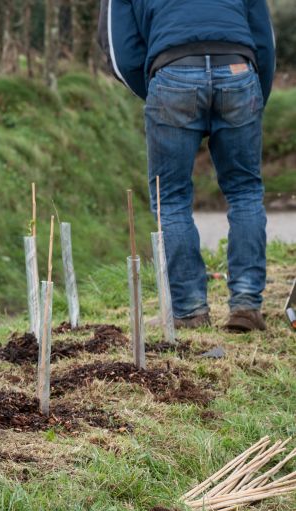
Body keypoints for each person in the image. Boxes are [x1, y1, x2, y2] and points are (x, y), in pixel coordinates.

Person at [99, 0, 276, 332]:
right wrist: (254, 96)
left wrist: (158, 90)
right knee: (245, 191)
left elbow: (119, 50)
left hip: (172, 70)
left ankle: (190, 310)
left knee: (171, 198)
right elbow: (265, 41)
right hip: (239, 68)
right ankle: (246, 304)